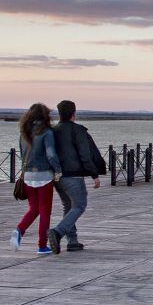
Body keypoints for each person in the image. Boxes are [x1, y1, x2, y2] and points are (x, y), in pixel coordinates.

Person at [49, 100, 103, 254]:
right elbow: (85, 155)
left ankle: (72, 241)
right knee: (79, 205)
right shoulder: (78, 131)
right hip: (73, 175)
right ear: (74, 113)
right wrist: (94, 175)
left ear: (59, 113)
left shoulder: (53, 130)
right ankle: (58, 232)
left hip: (56, 176)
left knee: (68, 206)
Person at [11, 103, 62, 255]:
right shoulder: (46, 132)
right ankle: (41, 245)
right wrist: (58, 170)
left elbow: (22, 154)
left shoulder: (24, 132)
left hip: (27, 176)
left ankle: (19, 230)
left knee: (34, 209)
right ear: (45, 115)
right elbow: (51, 154)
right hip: (44, 176)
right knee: (45, 211)